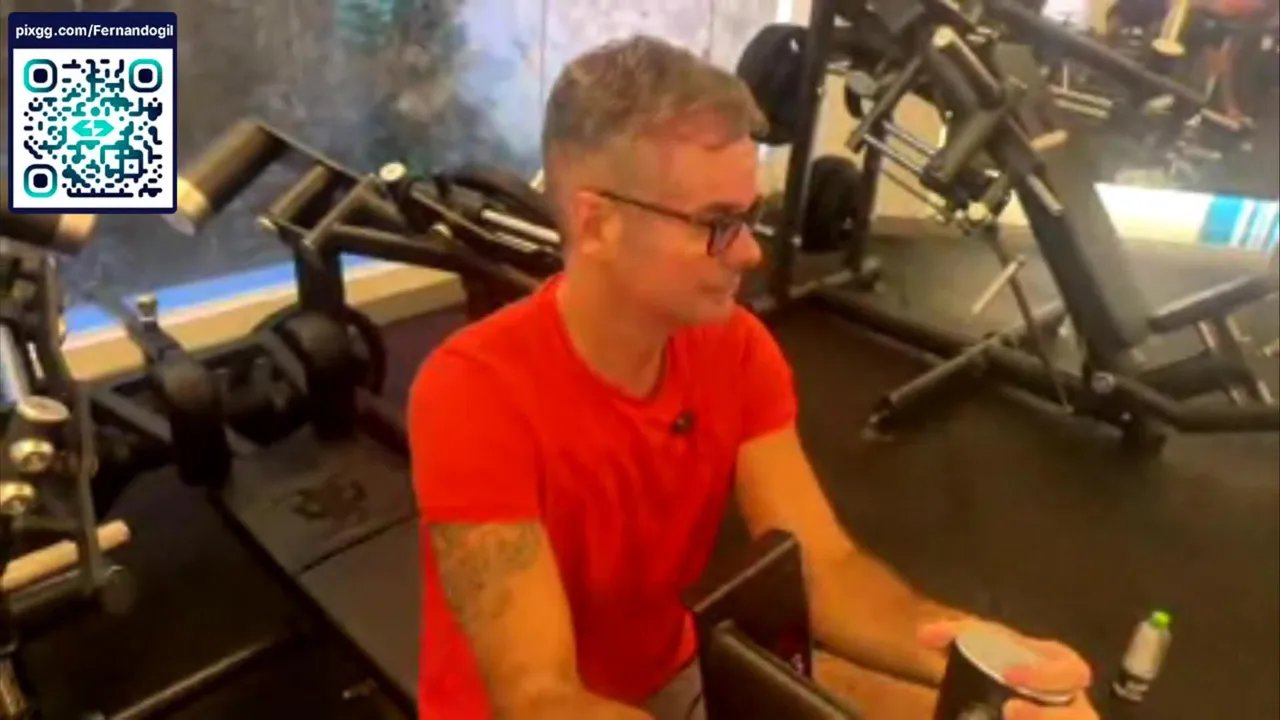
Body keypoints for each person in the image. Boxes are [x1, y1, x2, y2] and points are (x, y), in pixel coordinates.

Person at [408, 35, 1100, 720]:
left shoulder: (734, 348)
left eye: (751, 217)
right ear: (598, 224)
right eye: (716, 224)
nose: (750, 253)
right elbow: (537, 694)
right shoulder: (472, 394)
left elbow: (823, 567)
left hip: (674, 672)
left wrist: (994, 664)